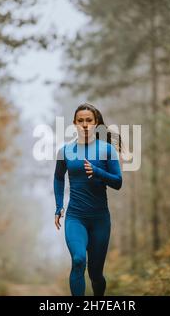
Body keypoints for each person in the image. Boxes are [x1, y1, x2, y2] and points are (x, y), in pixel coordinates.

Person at [53, 102, 123, 296]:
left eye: (89, 120)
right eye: (80, 121)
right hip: (76, 217)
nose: (85, 124)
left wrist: (98, 172)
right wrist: (59, 206)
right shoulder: (65, 151)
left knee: (95, 274)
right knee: (78, 261)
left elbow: (118, 182)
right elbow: (58, 177)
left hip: (100, 219)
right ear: (74, 123)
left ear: (96, 123)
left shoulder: (107, 150)